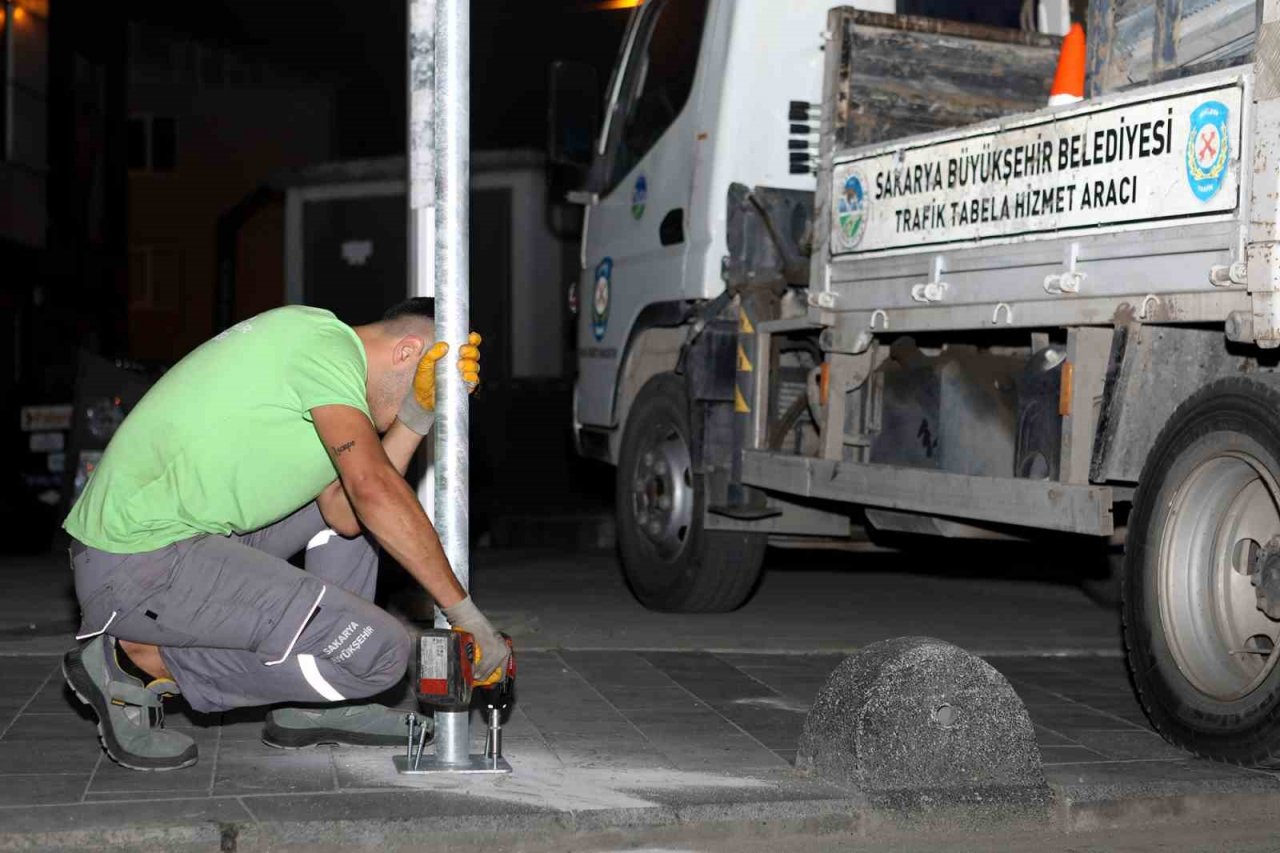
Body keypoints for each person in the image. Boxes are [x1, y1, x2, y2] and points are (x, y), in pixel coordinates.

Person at [59, 298, 508, 771]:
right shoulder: (322, 345)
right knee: (383, 655)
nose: (409, 405)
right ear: (408, 351)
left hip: (182, 548)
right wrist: (466, 617)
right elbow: (373, 490)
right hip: (137, 566)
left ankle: (316, 707)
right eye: (418, 390)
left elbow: (346, 513)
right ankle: (135, 665)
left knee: (352, 521)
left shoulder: (320, 367)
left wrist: (415, 415)